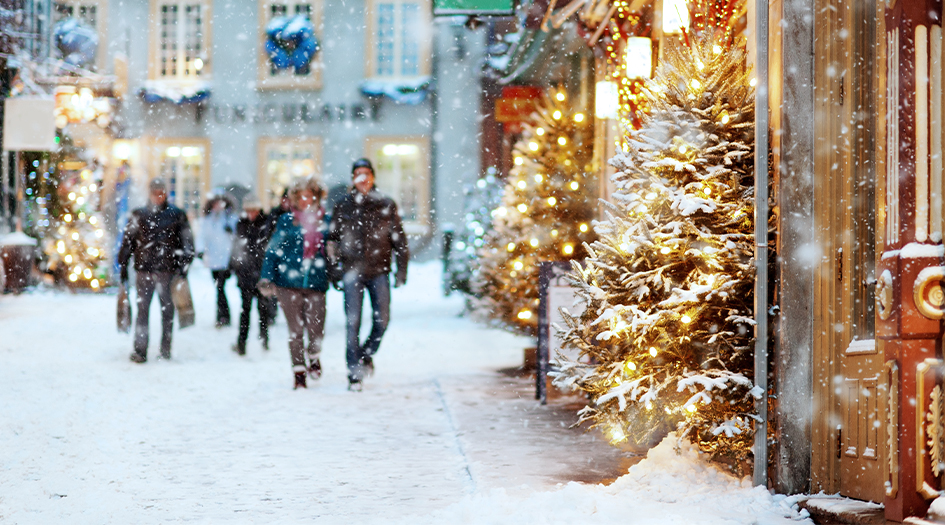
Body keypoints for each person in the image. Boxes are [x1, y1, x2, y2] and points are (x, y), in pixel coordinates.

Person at [328, 158, 409, 392]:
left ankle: (365, 355)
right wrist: (334, 270)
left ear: (373, 177)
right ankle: (354, 373)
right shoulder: (343, 205)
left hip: (379, 270)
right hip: (352, 271)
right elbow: (332, 239)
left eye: (366, 173)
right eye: (358, 174)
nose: (363, 178)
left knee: (382, 321)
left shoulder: (385, 204)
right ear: (353, 178)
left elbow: (399, 239)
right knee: (352, 323)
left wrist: (401, 270)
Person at [259, 177, 331, 390]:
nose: (304, 200)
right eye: (299, 197)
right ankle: (299, 372)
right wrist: (266, 277)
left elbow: (336, 246)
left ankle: (314, 354)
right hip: (287, 282)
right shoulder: (286, 221)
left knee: (316, 328)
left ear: (316, 198)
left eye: (308, 196)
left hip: (316, 281)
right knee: (295, 330)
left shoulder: (326, 221)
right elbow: (272, 250)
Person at [118, 178, 195, 363]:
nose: (158, 196)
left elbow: (188, 243)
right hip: (144, 270)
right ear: (150, 194)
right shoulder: (140, 215)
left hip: (167, 271)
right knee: (142, 311)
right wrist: (123, 262)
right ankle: (140, 350)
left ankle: (165, 350)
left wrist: (183, 266)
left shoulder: (176, 215)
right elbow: (128, 241)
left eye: (161, 192)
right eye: (155, 193)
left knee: (167, 311)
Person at [229, 197, 272, 355]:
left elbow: (268, 248)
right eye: (248, 211)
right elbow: (237, 246)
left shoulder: (266, 223)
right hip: (246, 272)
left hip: (261, 272)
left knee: (263, 309)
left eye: (253, 210)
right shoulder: (242, 224)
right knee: (245, 310)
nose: (251, 214)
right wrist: (233, 266)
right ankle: (242, 343)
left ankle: (264, 338)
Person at [197, 194, 237, 328]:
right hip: (213, 259)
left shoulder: (230, 218)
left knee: (220, 287)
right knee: (219, 288)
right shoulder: (208, 220)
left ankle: (223, 316)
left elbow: (236, 237)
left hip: (226, 259)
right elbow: (202, 236)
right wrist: (200, 250)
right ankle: (222, 315)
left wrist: (231, 232)